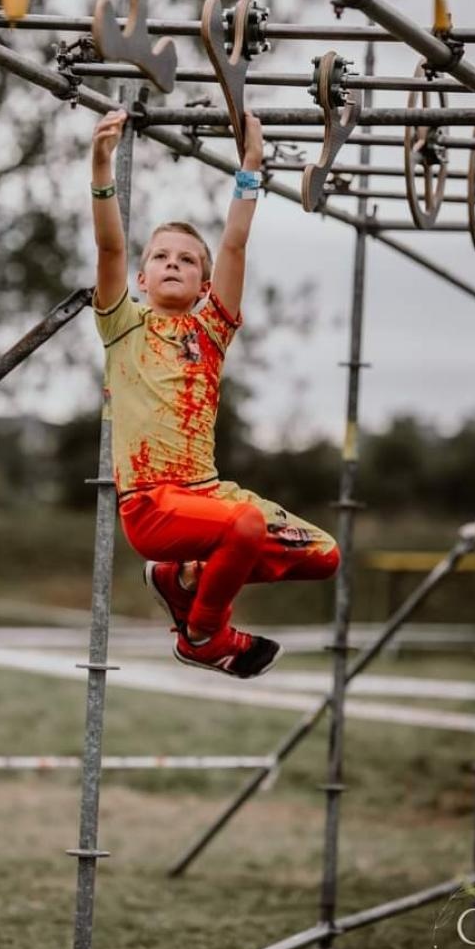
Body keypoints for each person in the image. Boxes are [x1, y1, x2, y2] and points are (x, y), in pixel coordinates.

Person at [90, 108, 340, 679]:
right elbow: (108, 249)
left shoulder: (211, 329)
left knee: (324, 555)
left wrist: (251, 166)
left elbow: (233, 246)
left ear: (204, 286)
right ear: (141, 279)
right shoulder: (123, 324)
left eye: (186, 260)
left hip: (206, 495)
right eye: (160, 257)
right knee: (245, 525)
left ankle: (182, 578)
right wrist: (102, 167)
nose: (172, 263)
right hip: (152, 504)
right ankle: (204, 634)